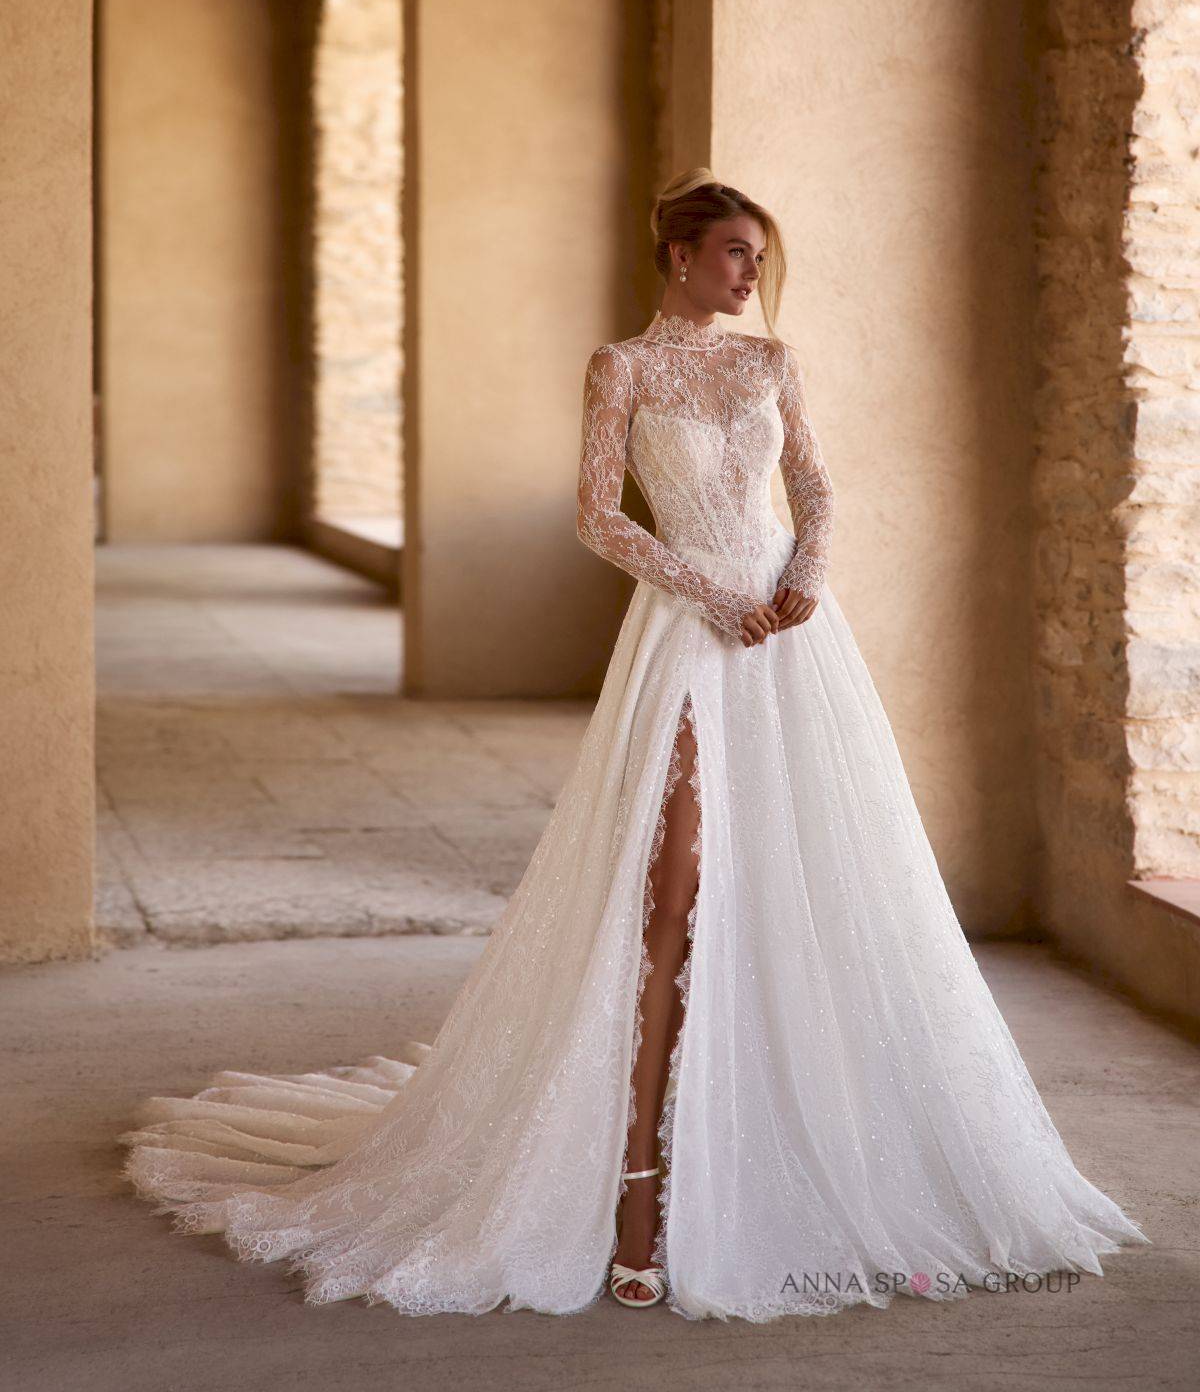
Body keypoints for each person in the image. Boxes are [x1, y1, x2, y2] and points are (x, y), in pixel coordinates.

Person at [119, 170, 1150, 1321]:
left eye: (759, 255)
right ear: (678, 256)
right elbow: (597, 513)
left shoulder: (770, 363)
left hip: (789, 638)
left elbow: (811, 481)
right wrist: (707, 586)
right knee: (672, 890)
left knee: (811, 880)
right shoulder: (625, 366)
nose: (751, 273)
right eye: (733, 253)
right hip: (689, 629)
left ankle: (772, 1148)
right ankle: (637, 1189)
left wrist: (803, 575)